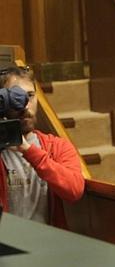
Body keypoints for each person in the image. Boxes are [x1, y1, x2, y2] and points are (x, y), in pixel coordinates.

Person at [0, 66, 84, 228]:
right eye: (14, 97)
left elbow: (74, 190)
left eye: (30, 96)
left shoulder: (56, 146)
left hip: (48, 245)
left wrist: (28, 150)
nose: (24, 105)